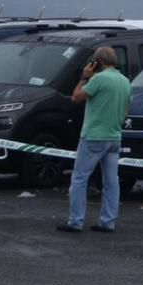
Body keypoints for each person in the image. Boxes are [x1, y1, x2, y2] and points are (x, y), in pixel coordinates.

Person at [59, 46, 131, 234]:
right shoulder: (125, 81)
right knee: (111, 181)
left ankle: (75, 221)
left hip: (93, 136)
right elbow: (126, 111)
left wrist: (85, 77)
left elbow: (76, 97)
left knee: (80, 178)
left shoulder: (99, 79)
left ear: (97, 62)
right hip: (114, 136)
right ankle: (108, 222)